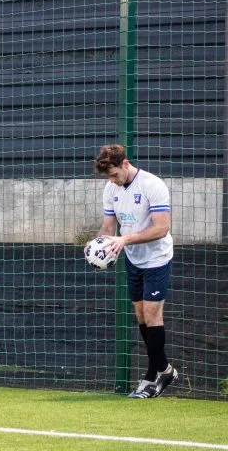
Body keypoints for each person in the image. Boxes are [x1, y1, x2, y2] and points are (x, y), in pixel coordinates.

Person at [94, 144, 177, 398]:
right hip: (133, 259)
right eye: (108, 177)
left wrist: (125, 240)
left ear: (125, 164)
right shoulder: (111, 189)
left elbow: (161, 228)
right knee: (141, 316)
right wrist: (98, 247)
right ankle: (165, 369)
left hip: (157, 258)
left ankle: (152, 378)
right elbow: (108, 227)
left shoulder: (153, 185)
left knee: (152, 315)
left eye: (114, 174)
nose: (112, 180)